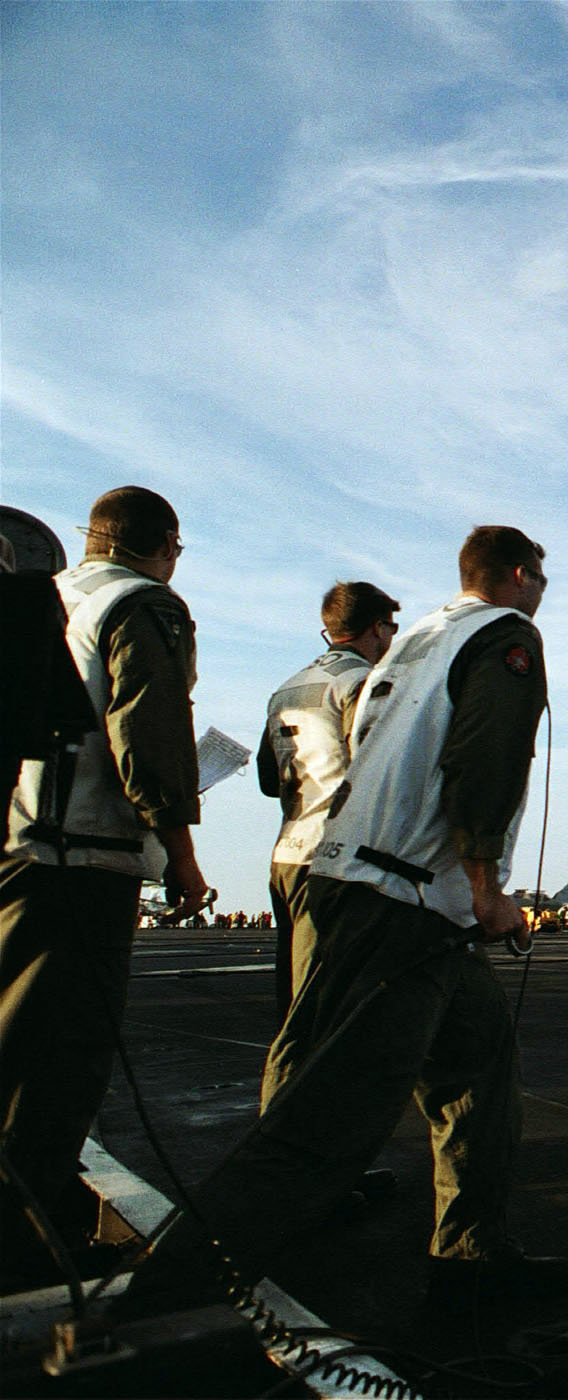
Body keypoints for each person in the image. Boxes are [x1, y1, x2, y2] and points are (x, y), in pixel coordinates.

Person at [123, 525, 566, 1314]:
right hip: (401, 907)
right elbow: (484, 762)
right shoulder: (507, 635)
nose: (541, 592)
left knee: (481, 1072)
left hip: (384, 891)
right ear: (518, 576)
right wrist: (489, 888)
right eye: (539, 578)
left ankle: (472, 1257)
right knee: (329, 1124)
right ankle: (158, 1304)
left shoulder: (415, 641)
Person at [0, 487, 211, 1286]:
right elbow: (149, 732)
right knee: (63, 1058)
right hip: (81, 863)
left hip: (21, 847)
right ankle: (27, 1246)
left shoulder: (44, 594)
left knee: (13, 1047)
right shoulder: (146, 603)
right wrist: (181, 854)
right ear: (163, 545)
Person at [258, 580, 400, 1021]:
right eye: (391, 628)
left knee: (296, 1001)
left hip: (287, 856)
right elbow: (377, 769)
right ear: (376, 628)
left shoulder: (287, 687)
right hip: (337, 861)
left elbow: (268, 779)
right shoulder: (365, 683)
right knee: (331, 1008)